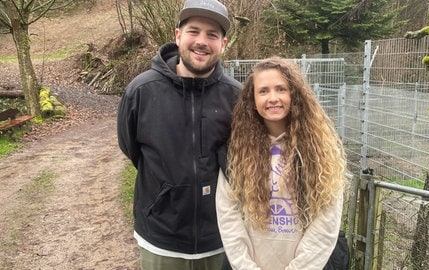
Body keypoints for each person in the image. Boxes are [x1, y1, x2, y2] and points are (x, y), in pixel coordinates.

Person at [117, 0, 241, 269]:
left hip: (222, 238)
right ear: (177, 36)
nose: (202, 42)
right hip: (161, 239)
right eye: (194, 31)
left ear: (224, 43)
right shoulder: (142, 91)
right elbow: (131, 147)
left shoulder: (237, 97)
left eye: (212, 35)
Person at [216, 57, 347, 270]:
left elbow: (326, 222)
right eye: (263, 91)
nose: (273, 98)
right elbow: (227, 215)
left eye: (281, 89)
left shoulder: (320, 150)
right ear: (252, 98)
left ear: (294, 94)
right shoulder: (234, 151)